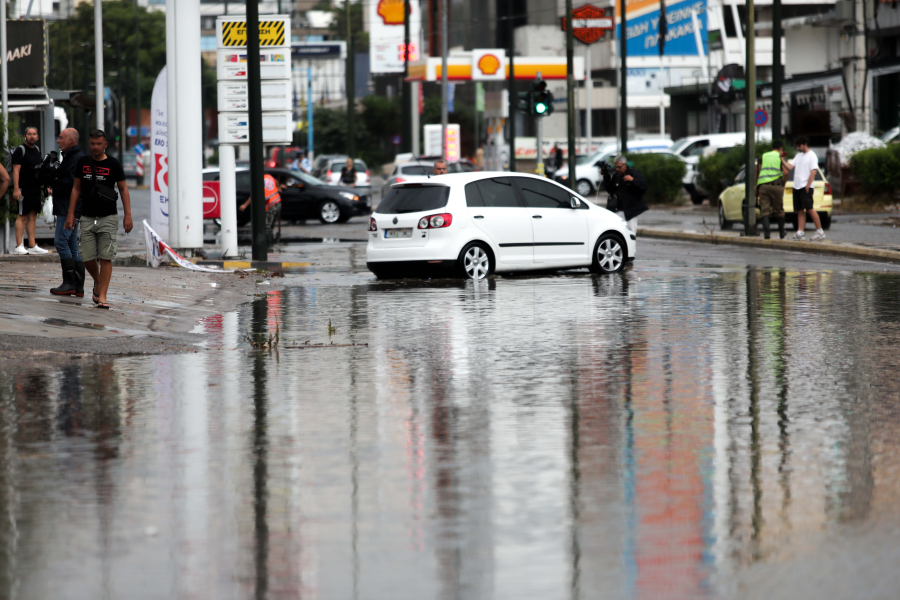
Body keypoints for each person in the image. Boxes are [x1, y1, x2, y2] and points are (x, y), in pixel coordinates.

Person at [64, 130, 132, 310]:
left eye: (98, 144)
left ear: (105, 144)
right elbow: (76, 189)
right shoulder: (83, 162)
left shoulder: (113, 164)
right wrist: (71, 214)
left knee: (105, 257)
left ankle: (102, 296)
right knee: (86, 257)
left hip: (108, 217)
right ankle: (98, 280)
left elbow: (124, 189)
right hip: (86, 217)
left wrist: (128, 215)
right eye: (92, 144)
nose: (95, 147)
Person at [49, 128, 86, 296]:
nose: (58, 140)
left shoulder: (76, 158)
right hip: (70, 207)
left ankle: (69, 283)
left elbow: (71, 184)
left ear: (71, 141)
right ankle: (78, 286)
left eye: (61, 137)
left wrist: (55, 181)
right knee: (72, 246)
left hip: (68, 208)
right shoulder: (72, 157)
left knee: (61, 242)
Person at [12, 126, 49, 255]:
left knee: (32, 216)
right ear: (25, 136)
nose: (32, 136)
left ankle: (32, 245)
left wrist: (45, 186)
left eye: (34, 134)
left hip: (35, 188)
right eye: (29, 134)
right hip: (24, 188)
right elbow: (16, 170)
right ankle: (19, 246)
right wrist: (16, 189)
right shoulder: (20, 150)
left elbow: (40, 170)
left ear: (37, 136)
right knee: (22, 215)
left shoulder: (37, 150)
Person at [785, 136, 825, 241]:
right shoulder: (798, 156)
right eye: (797, 146)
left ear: (805, 144)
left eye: (799, 146)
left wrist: (808, 185)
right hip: (797, 186)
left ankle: (820, 231)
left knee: (810, 209)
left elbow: (813, 171)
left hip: (805, 186)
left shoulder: (812, 156)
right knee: (799, 210)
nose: (797, 148)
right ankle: (800, 232)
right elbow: (790, 167)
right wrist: (781, 160)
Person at [601, 155, 647, 236]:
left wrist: (633, 180)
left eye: (619, 167)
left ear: (625, 165)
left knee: (631, 234)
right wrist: (606, 176)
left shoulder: (633, 173)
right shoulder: (616, 176)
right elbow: (610, 190)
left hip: (630, 211)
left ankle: (632, 249)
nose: (617, 169)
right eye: (615, 167)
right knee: (617, 234)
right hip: (618, 210)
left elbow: (643, 188)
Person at [754, 140, 790, 239]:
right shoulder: (781, 157)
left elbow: (757, 171)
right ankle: (782, 232)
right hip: (776, 186)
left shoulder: (764, 156)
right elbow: (786, 173)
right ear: (781, 149)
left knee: (764, 210)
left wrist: (755, 185)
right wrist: (783, 185)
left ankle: (767, 234)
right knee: (779, 210)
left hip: (763, 186)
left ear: (772, 148)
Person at [239, 173, 283, 246]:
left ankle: (269, 245)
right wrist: (278, 188)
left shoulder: (258, 182)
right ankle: (270, 242)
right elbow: (276, 182)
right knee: (270, 226)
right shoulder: (268, 176)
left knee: (266, 227)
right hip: (277, 202)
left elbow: (254, 195)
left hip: (270, 204)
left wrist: (244, 205)